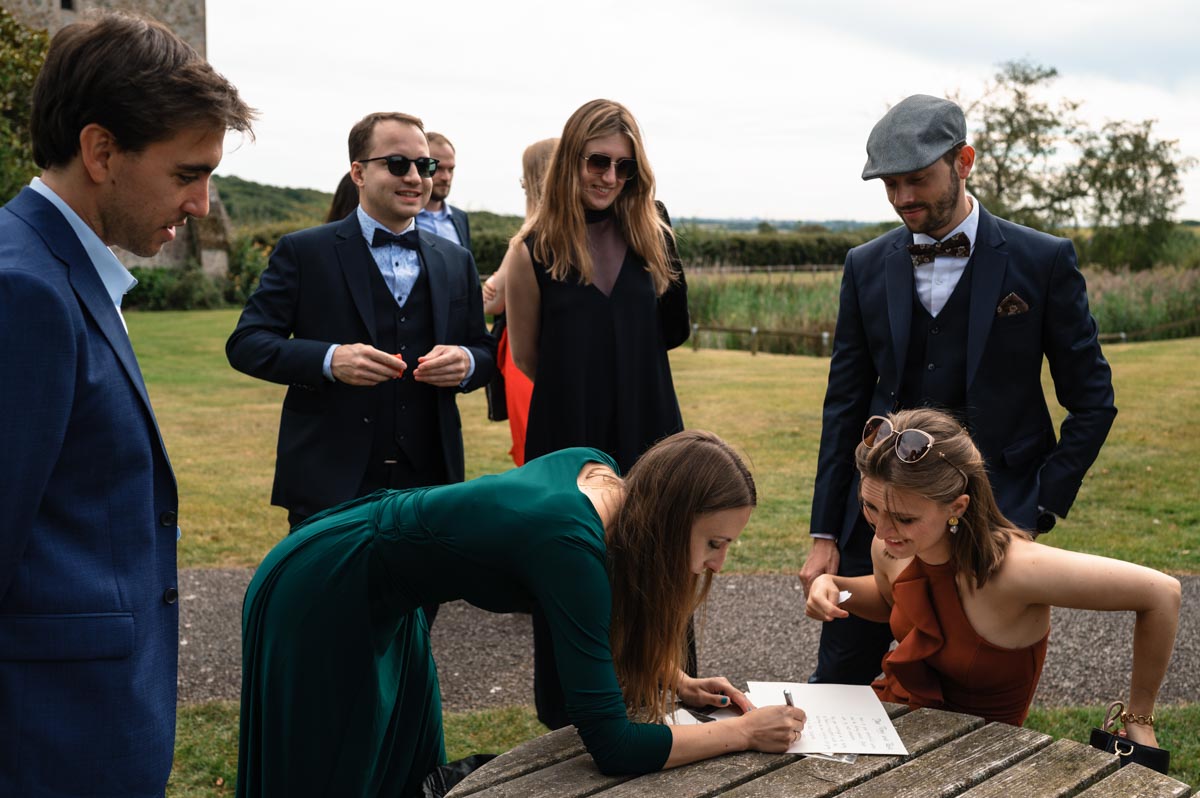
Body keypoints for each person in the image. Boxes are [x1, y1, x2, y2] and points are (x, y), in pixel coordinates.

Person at [237, 430, 807, 798]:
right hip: (327, 589)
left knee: (396, 766)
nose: (719, 564)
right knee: (328, 770)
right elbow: (613, 746)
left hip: (381, 590)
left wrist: (671, 678)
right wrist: (743, 733)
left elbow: (595, 624)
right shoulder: (569, 544)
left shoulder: (601, 474)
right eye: (714, 543)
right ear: (668, 521)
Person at [0, 11, 254, 797]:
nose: (204, 204)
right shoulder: (23, 290)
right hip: (50, 743)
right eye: (187, 173)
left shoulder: (62, 268)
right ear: (101, 151)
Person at [801, 94, 1117, 686]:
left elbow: (1093, 401)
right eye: (889, 185)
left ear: (964, 161)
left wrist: (1035, 507)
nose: (902, 200)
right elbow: (843, 404)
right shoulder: (864, 265)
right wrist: (825, 535)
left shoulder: (1042, 260)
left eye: (916, 180)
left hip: (990, 522)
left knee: (962, 699)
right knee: (841, 686)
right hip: (878, 522)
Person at [226, 112, 496, 628]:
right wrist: (330, 360)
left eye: (424, 164)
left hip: (428, 481)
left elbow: (483, 353)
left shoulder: (454, 259)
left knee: (414, 628)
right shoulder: (305, 251)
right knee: (325, 626)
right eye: (397, 163)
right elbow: (247, 343)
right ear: (357, 173)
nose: (416, 177)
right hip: (331, 476)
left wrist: (466, 363)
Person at [806, 408, 1179, 748]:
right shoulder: (890, 545)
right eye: (870, 506)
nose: (883, 529)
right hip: (886, 726)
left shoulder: (1016, 568)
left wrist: (1139, 719)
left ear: (957, 507)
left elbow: (1161, 593)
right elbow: (893, 600)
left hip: (982, 755)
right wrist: (839, 588)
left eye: (904, 518)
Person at [505, 98, 691, 729]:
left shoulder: (655, 232)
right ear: (570, 161)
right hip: (568, 441)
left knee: (657, 571)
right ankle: (573, 722)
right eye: (596, 162)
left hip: (650, 429)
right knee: (574, 573)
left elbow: (671, 331)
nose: (609, 177)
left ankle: (661, 702)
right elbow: (527, 355)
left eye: (623, 166)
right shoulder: (534, 247)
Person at [481, 137, 557, 465]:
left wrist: (492, 283)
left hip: (524, 350)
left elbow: (493, 303)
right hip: (544, 347)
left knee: (536, 443)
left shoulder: (531, 235)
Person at [415, 131, 471, 250]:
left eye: (450, 169)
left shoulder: (461, 218)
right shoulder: (403, 216)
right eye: (438, 168)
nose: (446, 177)